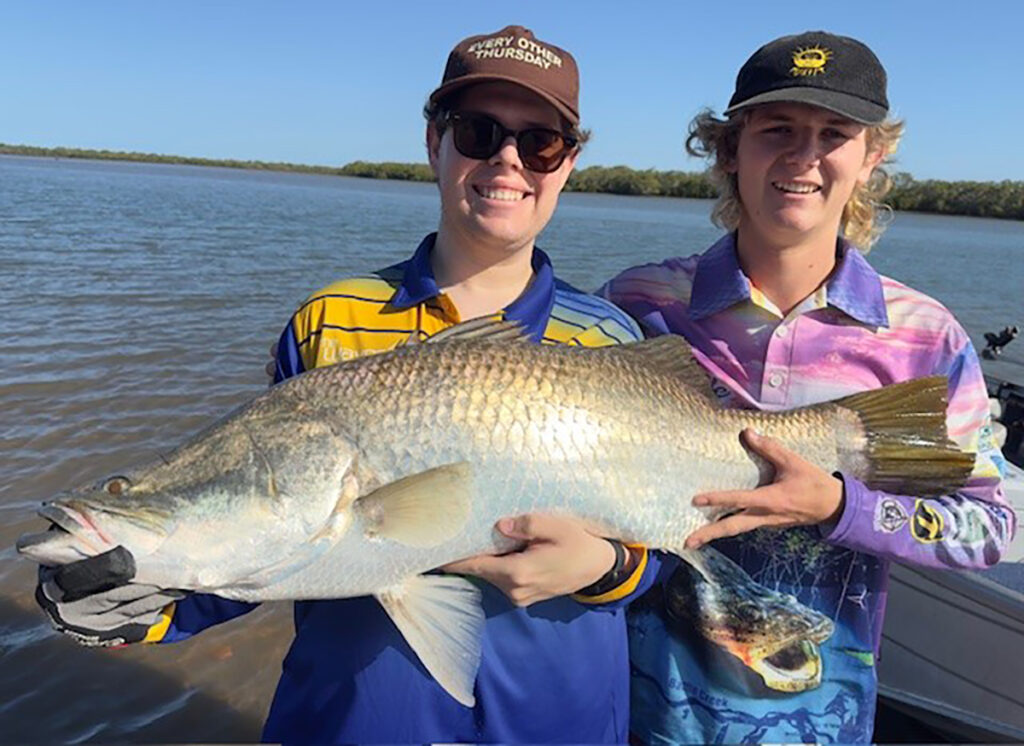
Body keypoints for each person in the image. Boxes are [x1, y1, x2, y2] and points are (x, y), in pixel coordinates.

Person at [33, 25, 666, 744]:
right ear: (435, 142)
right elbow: (276, 535)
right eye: (478, 131)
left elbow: (668, 549)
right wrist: (141, 598)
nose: (507, 160)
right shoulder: (328, 320)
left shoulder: (611, 336)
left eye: (540, 143)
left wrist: (609, 565)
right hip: (351, 725)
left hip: (556, 721)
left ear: (570, 162)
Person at [601, 30, 1015, 745]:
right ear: (730, 148)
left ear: (871, 156)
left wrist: (840, 505)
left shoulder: (923, 338)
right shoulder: (639, 302)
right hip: (632, 715)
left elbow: (987, 527)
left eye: (833, 134)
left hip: (822, 725)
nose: (803, 157)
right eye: (778, 130)